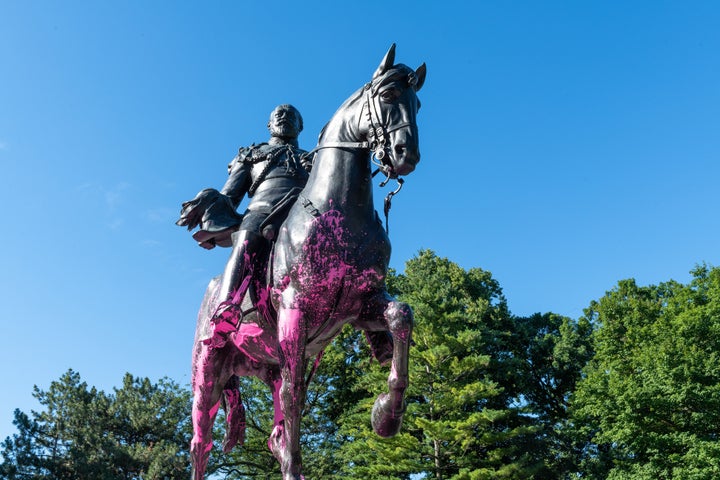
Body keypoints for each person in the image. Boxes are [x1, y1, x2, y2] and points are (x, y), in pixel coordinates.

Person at [177, 104, 311, 329]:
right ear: (269, 125)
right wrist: (210, 202)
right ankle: (226, 304)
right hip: (262, 214)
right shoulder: (252, 154)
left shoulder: (313, 158)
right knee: (246, 239)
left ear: (301, 126)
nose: (284, 118)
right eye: (279, 115)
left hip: (302, 216)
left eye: (291, 116)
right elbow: (231, 195)